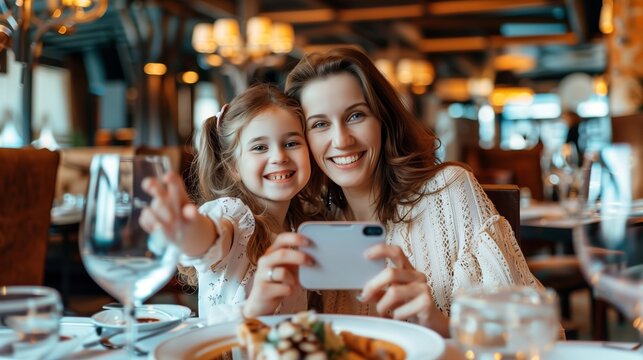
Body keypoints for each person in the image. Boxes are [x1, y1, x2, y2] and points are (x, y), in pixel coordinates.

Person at [243, 48, 541, 337]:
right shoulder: (308, 223)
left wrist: (436, 322)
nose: (342, 140)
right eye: (320, 124)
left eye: (356, 116)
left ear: (382, 119)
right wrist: (259, 315)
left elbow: (533, 332)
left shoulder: (449, 190)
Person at [139, 83, 319, 323]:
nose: (279, 157)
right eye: (259, 147)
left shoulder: (302, 224)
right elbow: (211, 236)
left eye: (291, 143)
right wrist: (187, 229)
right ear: (234, 167)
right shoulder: (235, 214)